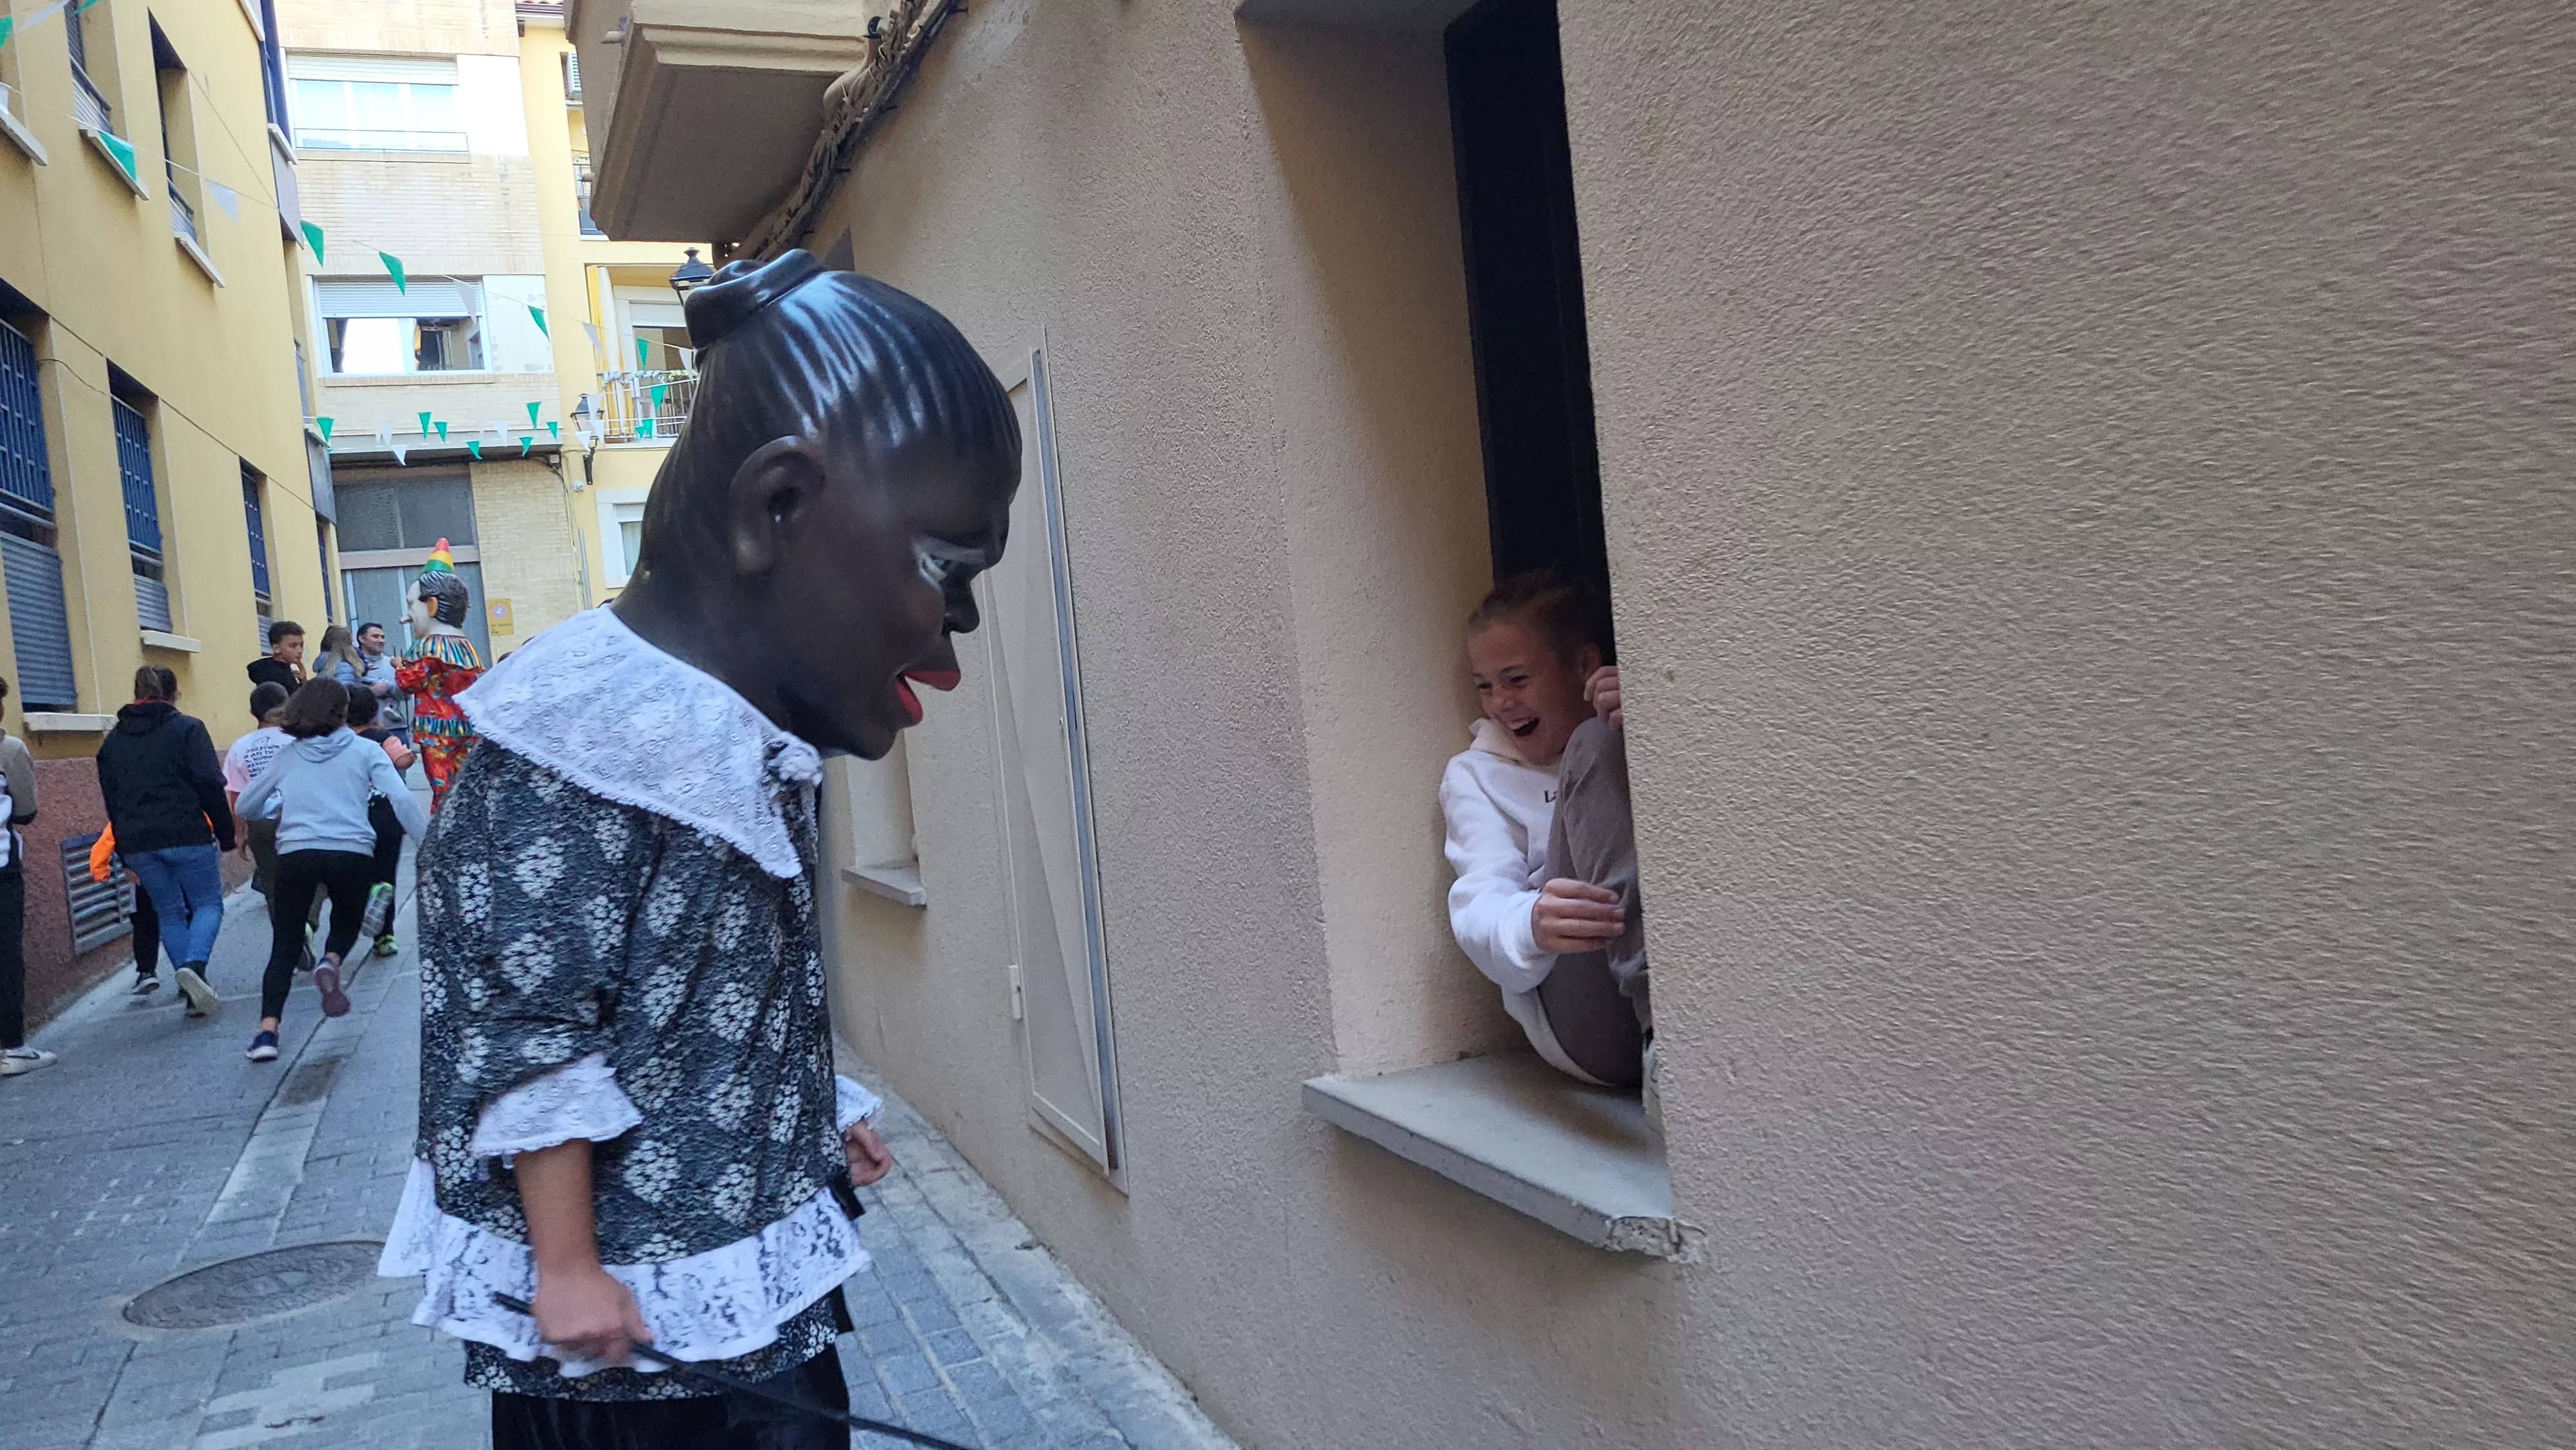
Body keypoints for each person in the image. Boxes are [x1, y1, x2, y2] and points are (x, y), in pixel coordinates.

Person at [380, 249, 1018, 1449]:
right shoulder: (571, 738)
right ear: (777, 508)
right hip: (630, 1342)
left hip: (746, 1301)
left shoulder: (731, 735)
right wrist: (565, 1264)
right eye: (947, 569)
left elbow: (708, 989)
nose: (962, 624)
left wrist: (814, 1106)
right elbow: (528, 1027)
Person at [1440, 571, 1654, 1112]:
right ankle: (1662, 1039)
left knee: (1598, 740)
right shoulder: (1474, 776)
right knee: (1593, 739)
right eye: (1484, 685)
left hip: (1698, 986)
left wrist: (1661, 726)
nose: (1501, 703)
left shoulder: (1625, 732)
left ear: (1583, 668)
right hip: (1589, 1018)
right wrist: (1530, 923)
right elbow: (1477, 901)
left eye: (1516, 678)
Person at [234, 681, 428, 1063]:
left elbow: (247, 804)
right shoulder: (366, 750)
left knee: (285, 945)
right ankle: (331, 961)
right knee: (346, 921)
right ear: (343, 713)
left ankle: (266, 1033)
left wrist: (273, 806)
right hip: (350, 851)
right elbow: (402, 799)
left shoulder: (289, 755)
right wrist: (429, 847)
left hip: (296, 853)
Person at [96, 666, 234, 1021]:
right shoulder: (188, 729)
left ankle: (192, 993)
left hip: (139, 842)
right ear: (173, 694)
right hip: (187, 832)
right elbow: (208, 782)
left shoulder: (112, 741)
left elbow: (112, 799)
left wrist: (124, 852)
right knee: (207, 905)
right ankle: (195, 968)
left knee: (168, 913)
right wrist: (225, 831)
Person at [393, 544, 483, 811]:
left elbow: (409, 682)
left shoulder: (428, 647)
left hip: (436, 729)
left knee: (443, 787)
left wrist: (400, 666)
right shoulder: (466, 646)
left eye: (412, 604)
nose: (409, 613)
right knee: (465, 784)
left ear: (431, 606)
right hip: (466, 726)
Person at [343, 683, 416, 958]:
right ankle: (385, 937)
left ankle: (360, 907)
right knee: (386, 876)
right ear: (375, 712)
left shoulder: (338, 741)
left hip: (351, 814)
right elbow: (402, 761)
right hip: (384, 813)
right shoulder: (383, 738)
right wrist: (409, 755)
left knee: (355, 874)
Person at [0, 677, 48, 1077]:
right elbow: (27, 812)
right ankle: (12, 1046)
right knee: (6, 956)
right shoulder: (9, 750)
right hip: (1, 868)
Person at [354, 621, 408, 741]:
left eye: (383, 637)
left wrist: (389, 688)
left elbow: (406, 694)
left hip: (396, 728)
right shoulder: (352, 665)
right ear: (361, 639)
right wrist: (370, 691)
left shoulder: (393, 664)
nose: (381, 640)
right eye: (375, 637)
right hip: (365, 731)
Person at [248, 619, 307, 693]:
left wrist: (303, 681)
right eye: (293, 646)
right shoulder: (276, 676)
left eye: (301, 645)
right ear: (277, 648)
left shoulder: (282, 670)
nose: (300, 651)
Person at [310, 624, 362, 688]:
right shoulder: (344, 667)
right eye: (351, 642)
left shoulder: (323, 665)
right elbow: (346, 692)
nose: (354, 646)